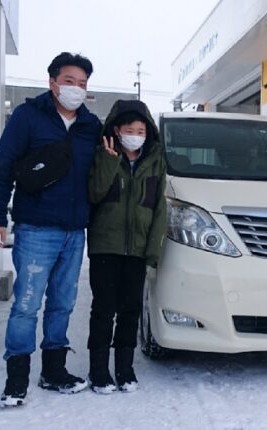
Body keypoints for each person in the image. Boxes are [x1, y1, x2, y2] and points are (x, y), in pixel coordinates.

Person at [0, 52, 102, 407]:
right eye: (69, 81)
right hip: (36, 228)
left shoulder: (90, 125)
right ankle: (16, 378)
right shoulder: (28, 117)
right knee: (26, 304)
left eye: (82, 83)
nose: (76, 89)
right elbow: (2, 165)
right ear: (52, 82)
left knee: (63, 303)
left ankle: (54, 370)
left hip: (74, 232)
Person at [86, 100, 167, 394]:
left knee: (130, 311)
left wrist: (153, 250)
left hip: (137, 250)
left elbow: (159, 209)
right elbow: (94, 193)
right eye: (129, 130)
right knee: (103, 310)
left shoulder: (155, 161)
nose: (135, 135)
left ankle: (125, 368)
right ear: (117, 131)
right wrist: (108, 161)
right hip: (105, 247)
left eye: (140, 131)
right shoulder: (102, 155)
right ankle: (98, 370)